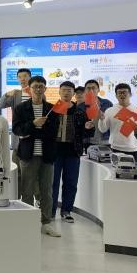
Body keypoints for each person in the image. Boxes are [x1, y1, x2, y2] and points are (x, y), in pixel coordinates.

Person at [12, 75, 60, 237]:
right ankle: (28, 222)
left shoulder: (52, 109)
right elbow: (17, 130)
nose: (38, 89)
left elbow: (53, 132)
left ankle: (46, 223)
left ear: (45, 88)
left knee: (46, 191)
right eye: (35, 87)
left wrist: (30, 132)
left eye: (41, 86)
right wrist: (33, 124)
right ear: (29, 89)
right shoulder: (20, 108)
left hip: (47, 155)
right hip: (28, 155)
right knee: (26, 190)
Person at [50, 81, 90, 222]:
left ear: (73, 93)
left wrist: (89, 127)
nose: (66, 92)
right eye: (64, 90)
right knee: (52, 183)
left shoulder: (80, 111)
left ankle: (66, 211)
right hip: (55, 152)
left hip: (73, 152)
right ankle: (51, 211)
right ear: (59, 92)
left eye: (69, 90)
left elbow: (86, 133)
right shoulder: (52, 109)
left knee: (71, 183)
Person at [0, 68, 31, 173]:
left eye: (25, 76)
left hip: (32, 136)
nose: (22, 79)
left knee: (30, 169)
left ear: (30, 77)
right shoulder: (15, 94)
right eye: (19, 77)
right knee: (16, 168)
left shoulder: (37, 93)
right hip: (17, 137)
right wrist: (7, 94)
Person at [97, 83, 137, 165]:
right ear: (116, 96)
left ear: (130, 94)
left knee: (134, 172)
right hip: (116, 148)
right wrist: (101, 119)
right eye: (119, 93)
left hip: (134, 149)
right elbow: (103, 129)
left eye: (125, 92)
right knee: (116, 172)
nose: (122, 95)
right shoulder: (110, 111)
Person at [78, 78, 113, 152]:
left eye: (93, 88)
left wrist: (103, 118)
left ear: (98, 90)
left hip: (105, 141)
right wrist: (85, 126)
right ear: (85, 91)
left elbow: (112, 122)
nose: (91, 90)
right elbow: (78, 125)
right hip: (87, 141)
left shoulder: (107, 103)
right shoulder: (81, 106)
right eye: (88, 88)